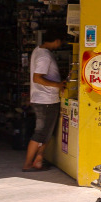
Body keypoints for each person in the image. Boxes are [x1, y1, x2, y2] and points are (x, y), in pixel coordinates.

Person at [24, 26, 68, 172]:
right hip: (45, 100)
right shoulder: (44, 56)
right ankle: (28, 164)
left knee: (46, 132)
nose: (60, 45)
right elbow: (37, 78)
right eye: (60, 42)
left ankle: (38, 160)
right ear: (56, 41)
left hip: (43, 99)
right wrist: (57, 85)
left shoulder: (39, 50)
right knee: (41, 132)